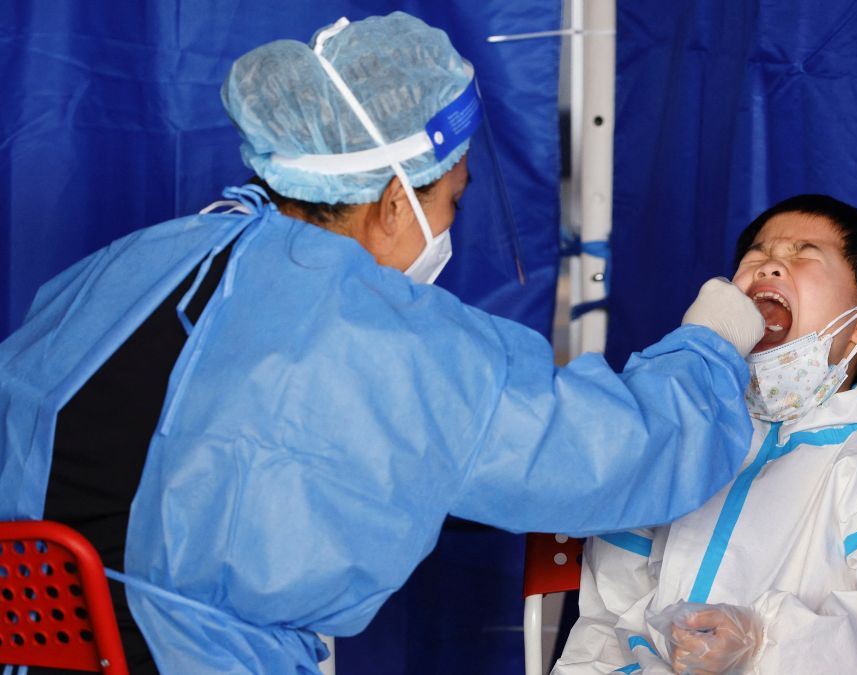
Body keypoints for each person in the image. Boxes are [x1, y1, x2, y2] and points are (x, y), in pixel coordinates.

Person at [0, 12, 767, 674]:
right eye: (453, 201)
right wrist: (713, 345)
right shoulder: (390, 336)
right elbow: (618, 453)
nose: (451, 230)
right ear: (397, 199)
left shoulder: (132, 261)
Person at [554, 195, 857, 674]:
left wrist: (763, 642)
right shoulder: (693, 439)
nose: (770, 264)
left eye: (803, 254)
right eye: (756, 254)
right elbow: (610, 612)